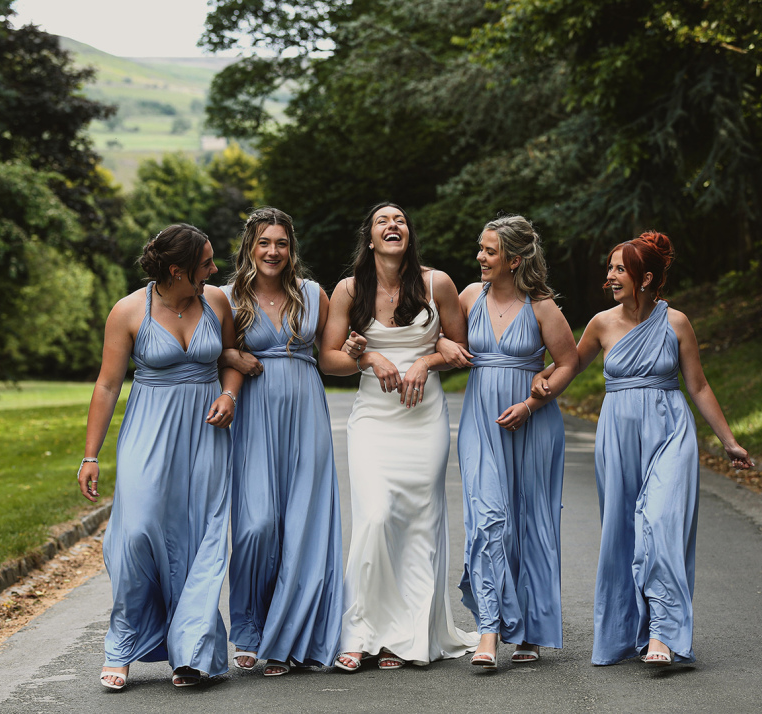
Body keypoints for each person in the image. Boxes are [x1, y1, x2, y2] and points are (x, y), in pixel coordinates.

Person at [532, 230, 753, 666]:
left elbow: (699, 385)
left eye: (620, 269)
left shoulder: (676, 323)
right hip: (617, 436)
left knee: (661, 522)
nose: (610, 276)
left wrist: (729, 442)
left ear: (646, 278)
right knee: (623, 532)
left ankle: (663, 634)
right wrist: (538, 387)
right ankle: (623, 632)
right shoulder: (600, 323)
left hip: (670, 431)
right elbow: (568, 365)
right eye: (610, 268)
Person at [77, 224, 241, 689]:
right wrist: (90, 456)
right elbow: (108, 385)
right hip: (149, 431)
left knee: (202, 538)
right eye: (206, 263)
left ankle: (192, 653)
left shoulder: (217, 302)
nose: (215, 269)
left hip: (206, 434)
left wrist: (229, 395)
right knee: (136, 533)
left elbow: (231, 357)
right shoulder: (129, 311)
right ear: (178, 271)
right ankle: (122, 645)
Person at [319, 202, 479, 671]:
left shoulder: (438, 284)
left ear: (409, 234)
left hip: (424, 417)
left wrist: (427, 361)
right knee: (374, 516)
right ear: (370, 239)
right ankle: (362, 631)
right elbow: (329, 358)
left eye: (401, 220)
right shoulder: (349, 290)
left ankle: (403, 637)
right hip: (373, 418)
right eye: (382, 222)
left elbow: (460, 349)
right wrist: (367, 359)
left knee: (418, 522)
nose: (394, 226)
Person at [437, 215, 577, 670]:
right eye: (480, 248)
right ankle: (490, 629)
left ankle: (531, 630)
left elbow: (568, 363)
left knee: (530, 521)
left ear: (514, 260)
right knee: (487, 518)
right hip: (481, 420)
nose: (480, 257)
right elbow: (441, 337)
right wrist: (443, 347)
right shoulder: (469, 296)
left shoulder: (542, 306)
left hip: (532, 424)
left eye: (489, 251)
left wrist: (534, 402)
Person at [218, 207, 343, 677]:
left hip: (306, 409)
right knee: (256, 524)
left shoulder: (314, 294)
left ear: (293, 249)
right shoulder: (227, 298)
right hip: (253, 413)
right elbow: (207, 348)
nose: (273, 251)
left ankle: (287, 637)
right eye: (264, 242)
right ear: (250, 247)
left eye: (282, 243)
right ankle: (249, 627)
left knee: (303, 526)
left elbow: (330, 356)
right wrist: (234, 354)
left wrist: (358, 351)